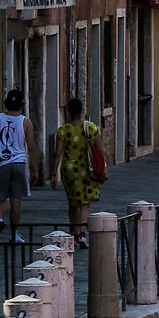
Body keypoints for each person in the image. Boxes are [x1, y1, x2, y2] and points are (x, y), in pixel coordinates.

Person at [0, 87, 35, 244]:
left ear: (6, 102)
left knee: (0, 198)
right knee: (16, 199)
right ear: (22, 104)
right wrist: (34, 168)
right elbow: (31, 147)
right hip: (19, 164)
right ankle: (14, 234)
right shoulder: (25, 122)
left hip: (2, 164)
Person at [56, 96, 103, 244]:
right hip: (86, 170)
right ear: (82, 111)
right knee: (85, 202)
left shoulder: (63, 130)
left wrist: (52, 174)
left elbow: (58, 153)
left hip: (69, 170)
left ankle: (75, 235)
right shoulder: (91, 128)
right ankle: (82, 234)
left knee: (73, 203)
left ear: (68, 111)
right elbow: (100, 149)